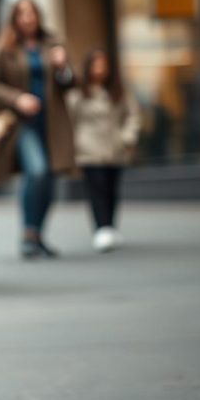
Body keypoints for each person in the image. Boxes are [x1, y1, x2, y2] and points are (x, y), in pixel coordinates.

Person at [0, 0, 75, 259]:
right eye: (22, 13)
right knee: (36, 171)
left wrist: (62, 68)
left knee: (49, 177)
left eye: (32, 12)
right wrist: (18, 99)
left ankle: (38, 234)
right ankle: (28, 234)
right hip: (22, 125)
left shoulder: (53, 44)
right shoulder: (6, 49)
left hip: (52, 122)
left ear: (39, 15)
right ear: (15, 18)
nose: (27, 18)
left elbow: (70, 83)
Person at [67, 49, 140, 252]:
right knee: (96, 189)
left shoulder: (119, 92)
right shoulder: (79, 93)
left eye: (103, 65)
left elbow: (132, 115)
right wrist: (73, 146)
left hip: (115, 149)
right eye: (96, 65)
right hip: (88, 149)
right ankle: (101, 228)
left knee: (111, 189)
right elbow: (69, 121)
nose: (100, 70)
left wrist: (128, 136)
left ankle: (111, 226)